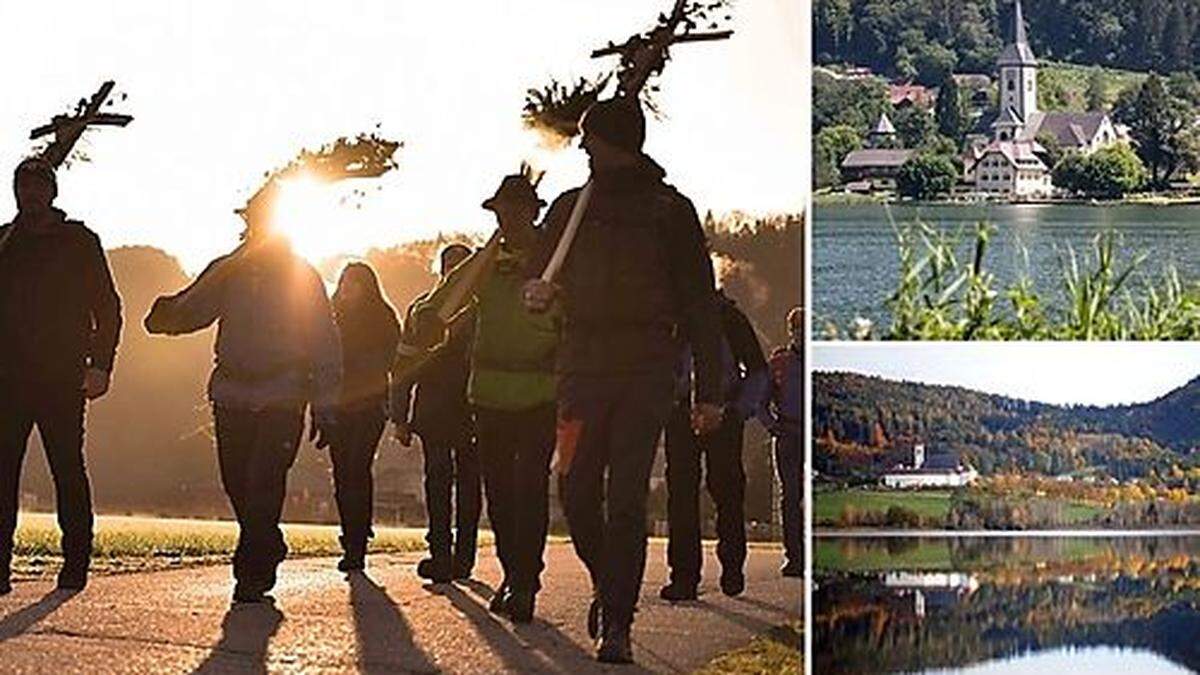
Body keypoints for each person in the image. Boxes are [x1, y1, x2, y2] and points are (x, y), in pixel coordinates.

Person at [524, 98, 724, 664]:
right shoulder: (568, 210)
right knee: (574, 490)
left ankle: (618, 621)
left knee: (627, 501)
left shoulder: (670, 211)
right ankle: (606, 580)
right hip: (580, 369)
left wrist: (711, 390)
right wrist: (534, 295)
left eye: (591, 140)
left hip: (646, 371)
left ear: (615, 143)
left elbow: (701, 305)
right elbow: (536, 279)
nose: (583, 148)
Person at [144, 184, 341, 604]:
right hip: (232, 391)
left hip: (283, 393)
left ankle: (251, 572)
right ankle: (265, 541)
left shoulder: (301, 275)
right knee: (236, 481)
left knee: (263, 481)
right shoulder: (227, 270)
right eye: (252, 218)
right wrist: (168, 317)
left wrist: (325, 405)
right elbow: (194, 309)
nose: (257, 226)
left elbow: (324, 340)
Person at [412, 170, 559, 622]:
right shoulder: (485, 261)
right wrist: (427, 318)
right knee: (499, 495)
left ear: (534, 213)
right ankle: (514, 573)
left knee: (529, 489)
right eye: (500, 212)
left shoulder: (556, 259)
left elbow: (578, 311)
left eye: (515, 211)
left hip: (541, 393)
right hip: (490, 396)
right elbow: (443, 299)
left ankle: (525, 581)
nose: (507, 219)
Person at [0, 157, 123, 594]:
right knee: (2, 473)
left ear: (52, 192)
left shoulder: (79, 241)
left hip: (62, 376)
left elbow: (107, 307)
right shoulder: (4, 242)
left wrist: (101, 365)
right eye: (22, 187)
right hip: (8, 379)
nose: (29, 195)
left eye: (37, 187)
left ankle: (75, 563)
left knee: (67, 470)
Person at [661, 291, 768, 601]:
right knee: (681, 494)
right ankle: (684, 576)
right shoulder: (671, 318)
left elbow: (758, 372)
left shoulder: (730, 319)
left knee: (726, 490)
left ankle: (732, 565)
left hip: (724, 414)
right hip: (682, 415)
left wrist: (735, 413)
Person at [392, 244, 481, 583]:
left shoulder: (427, 310)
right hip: (454, 407)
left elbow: (403, 365)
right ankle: (452, 555)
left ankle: (451, 555)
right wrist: (399, 414)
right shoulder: (430, 311)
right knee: (454, 484)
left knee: (450, 482)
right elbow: (404, 364)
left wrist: (401, 415)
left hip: (454, 406)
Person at [328, 262, 400, 572]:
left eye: (354, 283)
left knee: (358, 466)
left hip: (370, 406)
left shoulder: (382, 319)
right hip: (338, 404)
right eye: (344, 282)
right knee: (342, 472)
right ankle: (351, 531)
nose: (347, 288)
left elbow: (396, 360)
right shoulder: (330, 318)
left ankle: (357, 540)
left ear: (367, 287)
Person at [761, 306, 801, 578]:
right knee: (791, 498)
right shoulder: (779, 363)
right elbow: (759, 400)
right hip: (787, 433)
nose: (802, 336)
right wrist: (773, 427)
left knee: (803, 497)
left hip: (809, 435)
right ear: (792, 332)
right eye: (798, 330)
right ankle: (795, 557)